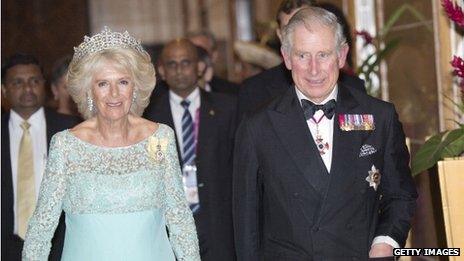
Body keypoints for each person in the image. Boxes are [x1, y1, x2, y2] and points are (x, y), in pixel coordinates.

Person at [233, 7, 417, 260]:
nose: (314, 69)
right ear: (286, 58)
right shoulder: (258, 127)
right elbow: (246, 224)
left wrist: (385, 242)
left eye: (323, 55)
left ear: (341, 56)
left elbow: (400, 194)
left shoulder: (379, 117)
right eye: (302, 55)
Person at [21, 27, 200, 261]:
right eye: (103, 84)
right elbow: (41, 229)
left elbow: (180, 221)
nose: (114, 94)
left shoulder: (161, 138)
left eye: (123, 82)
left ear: (135, 88)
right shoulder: (66, 145)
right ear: (89, 91)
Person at [144, 39, 236, 261]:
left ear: (200, 67)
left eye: (186, 63)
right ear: (162, 71)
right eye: (172, 64)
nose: (179, 70)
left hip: (220, 225)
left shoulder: (228, 108)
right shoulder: (149, 118)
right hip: (171, 228)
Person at [1, 53, 79, 261]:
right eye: (18, 82)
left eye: (34, 81)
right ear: (4, 89)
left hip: (60, 246)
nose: (28, 88)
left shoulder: (71, 129)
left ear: (44, 85)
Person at [238, 0, 365, 118]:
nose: (313, 69)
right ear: (279, 35)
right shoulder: (254, 90)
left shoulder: (353, 88)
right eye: (289, 28)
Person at [187, 30, 239, 94]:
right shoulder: (175, 92)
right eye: (190, 51)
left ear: (214, 56)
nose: (196, 57)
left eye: (201, 52)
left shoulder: (231, 92)